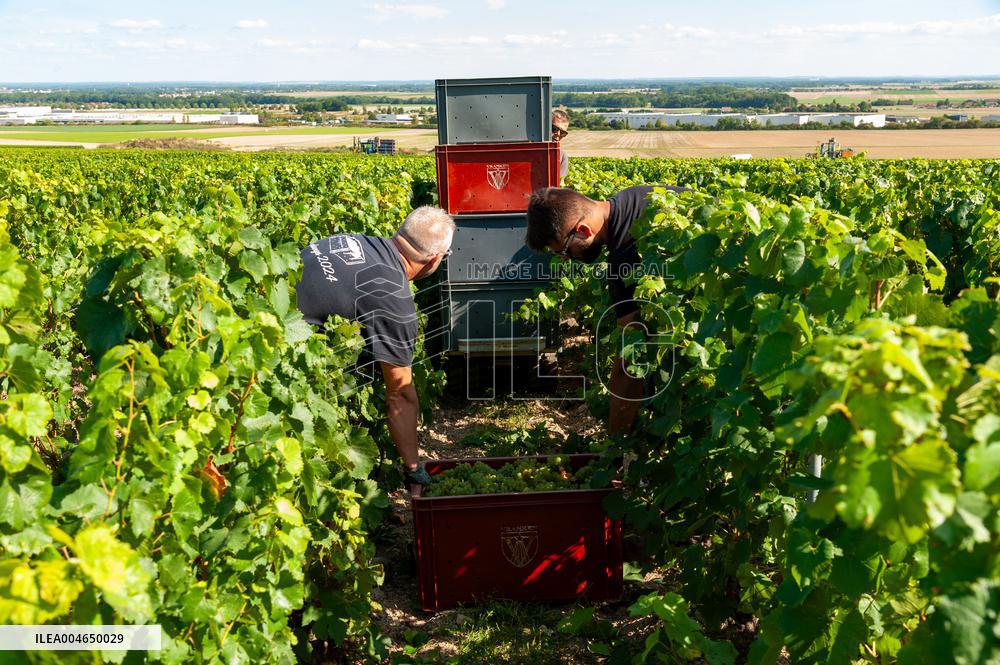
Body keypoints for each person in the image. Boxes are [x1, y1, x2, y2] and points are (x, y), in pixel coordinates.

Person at [295, 206, 456, 486]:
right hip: (288, 360)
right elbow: (400, 395)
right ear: (434, 260)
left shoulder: (352, 239)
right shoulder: (395, 303)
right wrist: (413, 467)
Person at [524, 185, 689, 435]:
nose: (567, 259)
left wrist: (615, 444)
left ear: (582, 230)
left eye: (565, 251)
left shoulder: (625, 259)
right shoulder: (634, 197)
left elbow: (630, 361)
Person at [552, 109, 570, 184]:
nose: (558, 134)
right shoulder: (527, 145)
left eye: (563, 133)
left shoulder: (562, 156)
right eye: (554, 129)